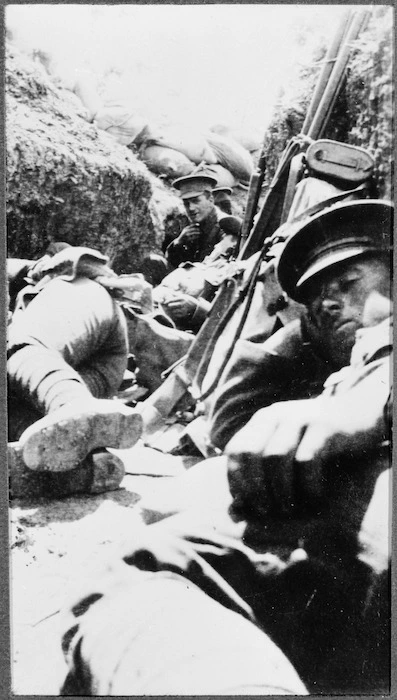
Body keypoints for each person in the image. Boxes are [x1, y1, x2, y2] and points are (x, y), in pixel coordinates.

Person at [60, 199, 392, 694]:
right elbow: (236, 433)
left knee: (146, 569)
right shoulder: (310, 352)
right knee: (150, 566)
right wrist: (292, 333)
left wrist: (376, 384)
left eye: (348, 284)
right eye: (317, 297)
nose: (327, 301)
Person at [7, 246, 143, 496]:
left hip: (79, 297)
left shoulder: (48, 278)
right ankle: (87, 470)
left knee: (17, 347)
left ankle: (73, 405)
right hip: (81, 371)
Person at [165, 174, 224, 268]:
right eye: (186, 203)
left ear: (211, 200)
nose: (191, 208)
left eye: (196, 201)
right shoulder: (188, 223)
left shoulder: (225, 225)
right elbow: (171, 263)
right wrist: (179, 243)